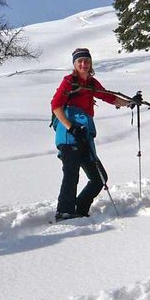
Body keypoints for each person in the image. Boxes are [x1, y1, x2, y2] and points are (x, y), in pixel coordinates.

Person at [50, 48, 131, 221]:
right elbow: (56, 106)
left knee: (99, 178)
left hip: (85, 136)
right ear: (74, 64)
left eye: (86, 61)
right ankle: (64, 212)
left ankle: (80, 209)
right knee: (71, 173)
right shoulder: (69, 82)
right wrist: (71, 128)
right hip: (68, 136)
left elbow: (109, 97)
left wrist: (131, 103)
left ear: (90, 63)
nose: (83, 64)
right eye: (80, 61)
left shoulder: (92, 83)